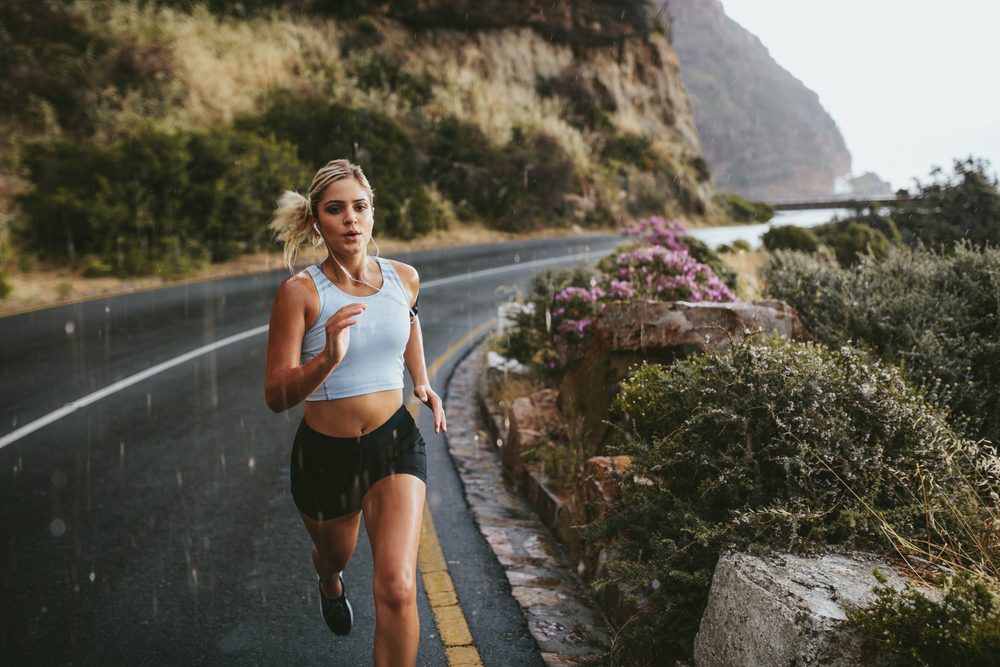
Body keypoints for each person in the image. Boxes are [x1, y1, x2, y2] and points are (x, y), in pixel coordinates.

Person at [264, 158, 445, 666]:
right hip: (325, 457)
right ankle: (328, 579)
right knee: (334, 554)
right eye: (335, 209)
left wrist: (423, 380)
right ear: (317, 221)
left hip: (394, 443)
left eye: (359, 207)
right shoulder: (300, 294)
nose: (350, 219)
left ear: (372, 214)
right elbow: (276, 394)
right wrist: (327, 358)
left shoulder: (403, 278)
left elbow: (408, 323)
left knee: (398, 587)